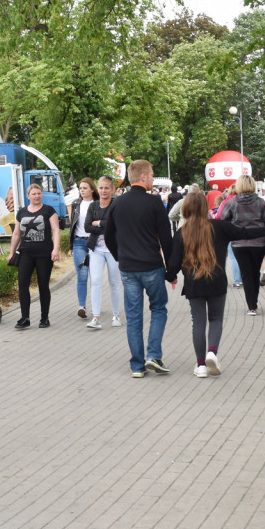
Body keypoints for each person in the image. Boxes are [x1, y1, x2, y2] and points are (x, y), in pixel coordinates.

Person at [166, 192, 265, 378]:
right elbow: (247, 232)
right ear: (205, 207)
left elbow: (173, 263)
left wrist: (170, 276)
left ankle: (201, 365)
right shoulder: (220, 227)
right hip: (217, 279)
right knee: (216, 319)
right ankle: (212, 352)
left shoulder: (182, 232)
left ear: (185, 208)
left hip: (193, 283)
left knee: (198, 321)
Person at [105, 160, 173, 377]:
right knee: (159, 309)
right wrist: (171, 269)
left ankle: (137, 365)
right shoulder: (154, 203)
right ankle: (153, 355)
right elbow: (166, 239)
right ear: (143, 177)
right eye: (151, 174)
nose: (153, 178)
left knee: (133, 317)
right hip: (152, 266)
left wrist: (119, 257)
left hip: (128, 268)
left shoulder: (118, 203)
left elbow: (108, 236)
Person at [8, 183, 60, 329]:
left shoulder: (49, 210)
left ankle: (44, 318)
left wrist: (55, 249)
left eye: (39, 193)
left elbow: (56, 230)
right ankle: (25, 318)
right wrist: (12, 253)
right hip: (26, 253)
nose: (37, 196)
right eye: (34, 194)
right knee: (23, 285)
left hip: (44, 254)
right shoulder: (22, 212)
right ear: (28, 196)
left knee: (43, 285)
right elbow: (17, 233)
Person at [221, 175, 265, 316]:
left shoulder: (232, 203)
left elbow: (223, 219)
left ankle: (252, 306)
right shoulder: (261, 203)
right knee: (255, 273)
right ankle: (254, 301)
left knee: (246, 274)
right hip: (259, 242)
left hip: (239, 243)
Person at [84, 175, 122, 329]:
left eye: (107, 187)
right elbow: (87, 227)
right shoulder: (93, 206)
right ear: (97, 189)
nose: (104, 190)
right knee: (96, 281)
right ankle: (96, 317)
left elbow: (118, 224)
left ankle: (116, 315)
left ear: (112, 189)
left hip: (113, 249)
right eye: (101, 187)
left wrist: (98, 222)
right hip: (96, 249)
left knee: (114, 282)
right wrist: (106, 226)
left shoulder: (116, 205)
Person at [68, 177, 99, 319]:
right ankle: (81, 306)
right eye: (80, 188)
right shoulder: (76, 204)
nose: (82, 190)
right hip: (79, 242)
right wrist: (70, 245)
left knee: (95, 277)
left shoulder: (98, 204)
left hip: (95, 242)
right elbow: (72, 226)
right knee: (82, 275)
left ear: (92, 189)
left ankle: (96, 306)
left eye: (85, 188)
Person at [215, 184, 243, 288]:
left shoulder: (226, 201)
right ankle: (243, 279)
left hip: (229, 231)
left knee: (233, 257)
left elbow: (218, 216)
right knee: (242, 256)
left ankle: (237, 281)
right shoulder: (244, 201)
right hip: (243, 231)